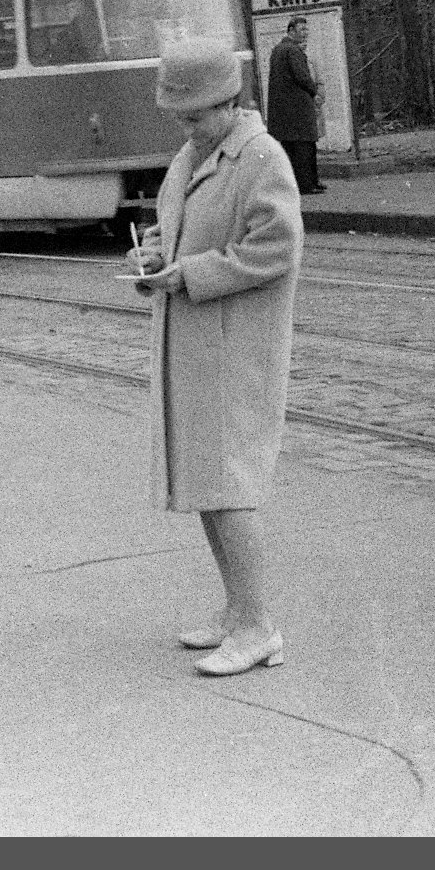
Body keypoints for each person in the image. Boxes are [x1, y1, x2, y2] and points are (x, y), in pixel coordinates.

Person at [126, 37, 304, 677]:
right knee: (206, 483)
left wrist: (189, 274)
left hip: (235, 351)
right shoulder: (193, 155)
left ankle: (259, 627)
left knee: (229, 487)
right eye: (179, 117)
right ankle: (236, 612)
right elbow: (174, 228)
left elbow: (275, 248)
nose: (187, 128)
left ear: (231, 102)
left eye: (197, 116)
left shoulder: (262, 159)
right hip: (196, 347)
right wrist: (152, 253)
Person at [265, 16, 326, 194]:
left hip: (283, 111)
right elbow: (302, 77)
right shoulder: (293, 51)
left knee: (291, 149)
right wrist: (314, 91)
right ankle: (308, 184)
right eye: (302, 30)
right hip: (298, 108)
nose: (305, 34)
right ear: (291, 31)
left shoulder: (278, 50)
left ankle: (303, 183)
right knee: (305, 146)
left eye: (307, 30)